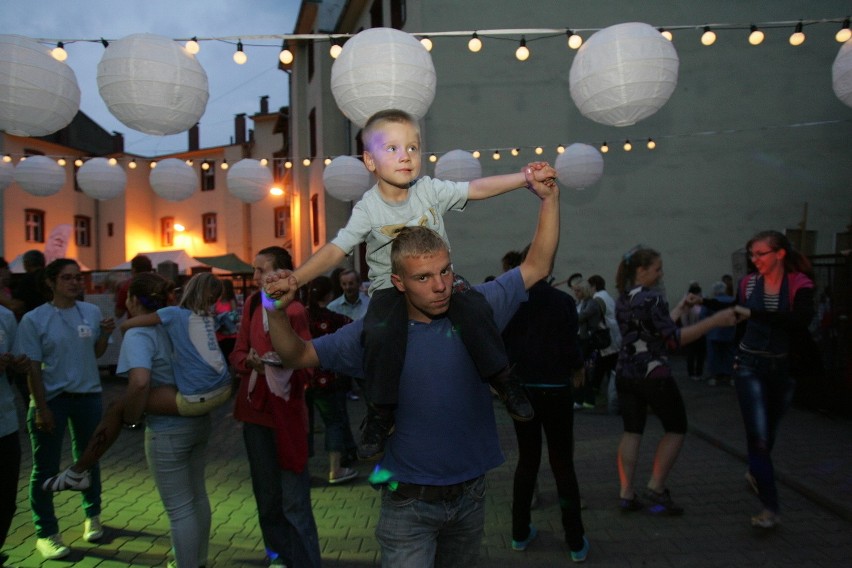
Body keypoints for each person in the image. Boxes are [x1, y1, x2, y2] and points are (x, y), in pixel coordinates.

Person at [263, 178, 560, 567]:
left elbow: (536, 265)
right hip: (408, 505)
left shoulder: (478, 309)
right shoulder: (376, 333)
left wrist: (550, 199)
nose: (440, 286)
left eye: (445, 272)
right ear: (398, 282)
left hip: (471, 497)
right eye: (423, 278)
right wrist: (275, 310)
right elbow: (296, 355)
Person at [265, 109, 556, 460]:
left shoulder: (429, 190)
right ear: (370, 162)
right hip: (389, 287)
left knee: (475, 306)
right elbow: (336, 249)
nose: (405, 156)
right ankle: (381, 410)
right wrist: (296, 277)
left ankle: (502, 378)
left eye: (413, 148)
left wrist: (524, 178)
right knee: (380, 332)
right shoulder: (368, 209)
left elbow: (476, 188)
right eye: (392, 148)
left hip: (439, 271)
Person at [41, 273, 232, 495]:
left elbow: (140, 382)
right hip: (208, 408)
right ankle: (78, 471)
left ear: (133, 300)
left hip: (175, 422)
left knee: (118, 408)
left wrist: (132, 417)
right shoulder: (183, 320)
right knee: (196, 496)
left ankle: (78, 471)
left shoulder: (144, 331)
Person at [613, 246, 738, 516]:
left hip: (626, 372)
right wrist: (715, 320)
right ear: (641, 271)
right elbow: (673, 339)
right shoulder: (653, 298)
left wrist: (681, 307)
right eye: (657, 268)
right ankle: (656, 487)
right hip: (654, 374)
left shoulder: (624, 298)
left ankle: (626, 493)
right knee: (676, 426)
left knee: (632, 430)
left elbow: (653, 330)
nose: (661, 273)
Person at [13, 259, 115, 560]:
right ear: (51, 282)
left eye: (78, 278)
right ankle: (46, 533)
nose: (75, 283)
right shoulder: (35, 319)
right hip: (53, 398)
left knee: (88, 459)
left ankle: (92, 516)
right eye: (67, 278)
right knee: (45, 468)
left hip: (88, 395)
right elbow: (31, 367)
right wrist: (41, 407)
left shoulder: (92, 312)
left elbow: (94, 353)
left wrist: (106, 335)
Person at [230, 246, 321, 568]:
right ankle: (279, 555)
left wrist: (284, 363)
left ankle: (307, 561)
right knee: (267, 497)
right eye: (255, 270)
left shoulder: (295, 311)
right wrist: (250, 362)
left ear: (282, 274)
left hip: (288, 414)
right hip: (255, 410)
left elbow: (309, 364)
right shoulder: (253, 304)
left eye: (261, 270)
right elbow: (238, 352)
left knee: (294, 499)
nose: (255, 277)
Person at [501, 247, 589, 562]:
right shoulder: (563, 301)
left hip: (522, 390)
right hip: (555, 389)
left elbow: (502, 344)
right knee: (562, 462)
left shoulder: (511, 300)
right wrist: (578, 367)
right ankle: (576, 540)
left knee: (527, 461)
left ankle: (519, 532)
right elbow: (570, 345)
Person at [732, 230, 815, 529]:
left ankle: (756, 472)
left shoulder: (799, 284)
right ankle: (770, 507)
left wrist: (754, 313)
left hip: (782, 368)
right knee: (759, 439)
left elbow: (799, 321)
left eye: (760, 254)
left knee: (769, 433)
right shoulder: (748, 283)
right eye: (751, 255)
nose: (754, 261)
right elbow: (739, 318)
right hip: (749, 365)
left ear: (779, 254)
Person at [306, 276, 359, 484]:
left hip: (304, 378)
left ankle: (304, 470)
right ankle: (335, 469)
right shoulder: (335, 319)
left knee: (306, 425)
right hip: (329, 379)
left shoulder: (301, 316)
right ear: (329, 295)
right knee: (333, 423)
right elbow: (355, 332)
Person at [0, 305, 29, 565]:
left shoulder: (5, 316)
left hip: (5, 421)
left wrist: (19, 364)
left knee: (6, 498)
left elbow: (20, 359)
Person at [588, 274, 622, 414]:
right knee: (608, 368)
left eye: (590, 286)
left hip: (605, 339)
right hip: (614, 337)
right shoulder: (607, 296)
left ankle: (594, 398)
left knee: (602, 369)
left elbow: (593, 318)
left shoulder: (597, 298)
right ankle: (609, 397)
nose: (589, 289)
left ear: (594, 286)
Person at [573, 280, 603, 410]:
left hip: (586, 341)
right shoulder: (581, 303)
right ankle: (583, 399)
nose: (575, 293)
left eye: (578, 290)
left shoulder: (591, 303)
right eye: (575, 290)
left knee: (582, 369)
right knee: (579, 369)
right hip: (579, 339)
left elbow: (579, 317)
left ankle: (583, 399)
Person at [703, 281, 736, 386]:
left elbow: (702, 316)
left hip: (714, 333)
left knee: (714, 356)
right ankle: (731, 376)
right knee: (730, 355)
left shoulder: (711, 302)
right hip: (730, 332)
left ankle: (715, 376)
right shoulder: (732, 300)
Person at [114, 254, 153, 319]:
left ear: (133, 270)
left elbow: (118, 313)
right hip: (158, 325)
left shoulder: (126, 286)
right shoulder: (159, 283)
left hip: (135, 325)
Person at [681, 282, 706, 381]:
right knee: (692, 354)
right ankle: (692, 373)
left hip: (700, 331)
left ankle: (698, 373)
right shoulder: (687, 303)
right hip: (692, 331)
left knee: (700, 354)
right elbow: (684, 318)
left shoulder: (701, 301)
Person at [214, 278, 239, 362]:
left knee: (230, 359)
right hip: (219, 335)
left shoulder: (231, 301)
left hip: (230, 336)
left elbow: (235, 317)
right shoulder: (217, 301)